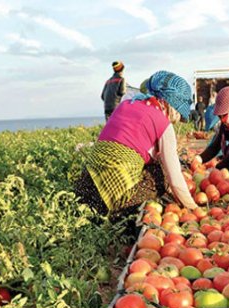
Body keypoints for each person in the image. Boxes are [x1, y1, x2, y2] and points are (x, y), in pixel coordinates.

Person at [76, 70, 198, 217]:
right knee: (162, 174)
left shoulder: (126, 104)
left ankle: (93, 208)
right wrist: (193, 208)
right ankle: (121, 213)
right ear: (172, 105)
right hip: (114, 199)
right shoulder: (163, 123)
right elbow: (175, 179)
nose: (177, 120)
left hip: (86, 187)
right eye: (179, 113)